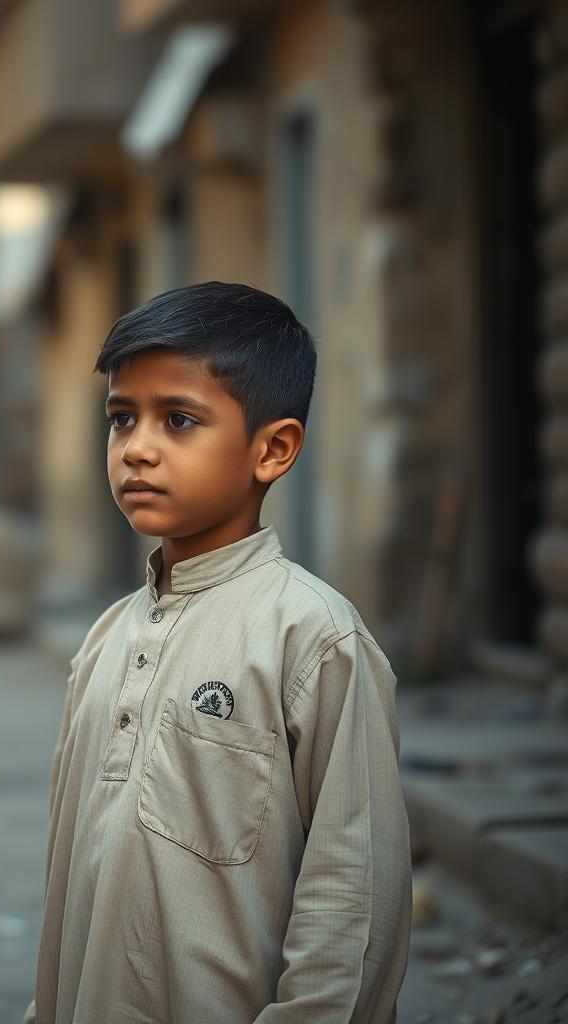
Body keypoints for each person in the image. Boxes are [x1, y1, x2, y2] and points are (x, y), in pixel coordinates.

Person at [25, 282, 411, 1023]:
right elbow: (67, 871)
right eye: (120, 419)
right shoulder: (106, 638)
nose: (136, 447)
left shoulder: (314, 637)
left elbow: (352, 895)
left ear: (273, 449)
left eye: (178, 419)